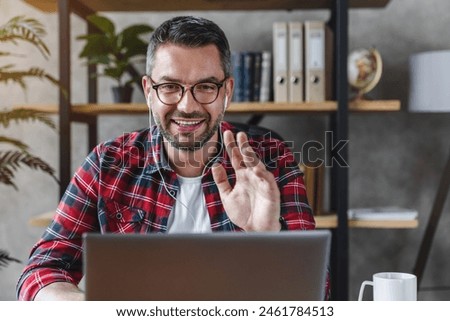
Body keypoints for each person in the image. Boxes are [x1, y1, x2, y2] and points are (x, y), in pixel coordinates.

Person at [17, 16, 320, 301]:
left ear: (227, 91)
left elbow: (318, 292)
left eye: (205, 87)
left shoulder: (271, 159)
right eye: (170, 87)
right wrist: (90, 310)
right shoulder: (107, 163)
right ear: (149, 91)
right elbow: (42, 270)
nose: (187, 106)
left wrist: (267, 239)